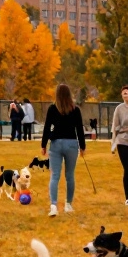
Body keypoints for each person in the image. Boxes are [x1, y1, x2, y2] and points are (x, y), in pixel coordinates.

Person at [41, 83, 86, 217]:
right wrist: (82, 146)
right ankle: (68, 204)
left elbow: (47, 127)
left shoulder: (52, 109)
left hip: (55, 143)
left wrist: (43, 144)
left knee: (55, 176)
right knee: (70, 175)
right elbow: (79, 129)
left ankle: (53, 205)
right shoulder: (75, 109)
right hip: (71, 143)